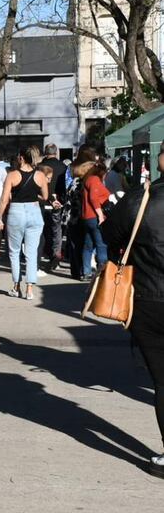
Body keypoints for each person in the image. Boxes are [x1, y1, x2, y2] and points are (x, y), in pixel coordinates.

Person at [101, 145, 164, 479]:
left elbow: (109, 234)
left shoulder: (141, 199)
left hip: (149, 299)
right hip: (150, 298)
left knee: (162, 380)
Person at [0, 148, 49, 300]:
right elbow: (45, 196)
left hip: (16, 211)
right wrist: (34, 196)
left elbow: (4, 199)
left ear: (21, 158)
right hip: (34, 211)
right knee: (31, 252)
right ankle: (29, 288)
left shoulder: (12, 175)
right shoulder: (40, 175)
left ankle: (16, 285)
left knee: (14, 251)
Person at [64, 147, 98, 279]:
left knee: (75, 243)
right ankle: (83, 270)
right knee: (84, 243)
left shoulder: (72, 174)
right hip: (81, 213)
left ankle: (76, 270)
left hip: (71, 214)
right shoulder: (86, 178)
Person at [80, 160, 111, 282]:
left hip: (87, 217)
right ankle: (102, 272)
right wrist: (100, 215)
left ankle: (86, 272)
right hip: (95, 217)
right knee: (101, 244)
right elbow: (94, 197)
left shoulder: (87, 179)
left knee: (88, 245)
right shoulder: (94, 180)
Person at [39, 144, 67, 270]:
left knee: (43, 229)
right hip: (57, 201)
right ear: (56, 152)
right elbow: (64, 186)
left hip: (42, 200)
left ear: (45, 152)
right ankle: (56, 253)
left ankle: (46, 251)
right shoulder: (63, 167)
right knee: (56, 229)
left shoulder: (40, 166)